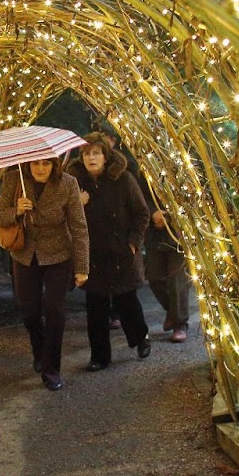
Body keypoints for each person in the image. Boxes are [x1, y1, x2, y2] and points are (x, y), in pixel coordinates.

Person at [0, 156, 88, 391]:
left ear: (54, 166)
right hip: (25, 255)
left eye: (46, 164)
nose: (41, 169)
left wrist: (82, 267)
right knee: (29, 311)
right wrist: (16, 210)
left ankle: (51, 369)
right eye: (36, 164)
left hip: (58, 255)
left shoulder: (68, 183)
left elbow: (79, 227)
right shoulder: (14, 180)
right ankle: (40, 349)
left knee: (55, 311)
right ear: (28, 164)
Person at [67, 133, 151, 371]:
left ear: (106, 156)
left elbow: (141, 213)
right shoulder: (74, 183)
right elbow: (64, 217)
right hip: (92, 254)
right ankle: (99, 357)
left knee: (127, 300)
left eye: (96, 153)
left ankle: (140, 338)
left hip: (121, 251)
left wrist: (133, 243)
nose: (91, 158)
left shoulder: (123, 180)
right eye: (86, 154)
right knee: (96, 307)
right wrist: (77, 204)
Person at [144, 181, 192, 342]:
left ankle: (180, 322)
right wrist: (153, 213)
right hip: (154, 233)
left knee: (177, 279)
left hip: (180, 232)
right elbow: (140, 193)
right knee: (154, 277)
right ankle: (172, 311)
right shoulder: (141, 168)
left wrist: (170, 215)